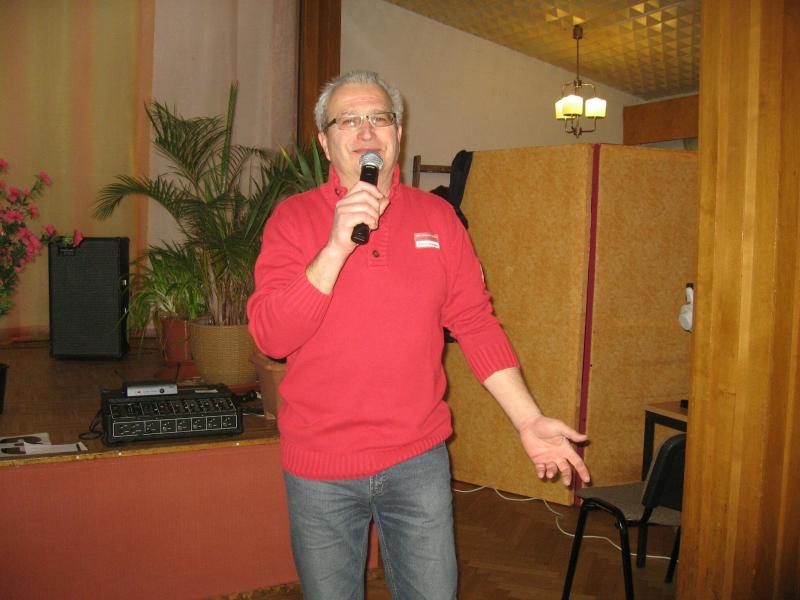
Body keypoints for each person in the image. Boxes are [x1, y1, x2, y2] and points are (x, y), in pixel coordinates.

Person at [247, 70, 590, 600]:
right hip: (321, 470)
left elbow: (475, 323)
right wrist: (335, 246)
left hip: (418, 463)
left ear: (398, 134)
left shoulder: (440, 218)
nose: (366, 131)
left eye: (379, 118)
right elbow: (272, 337)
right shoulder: (292, 220)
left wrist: (528, 419)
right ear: (325, 142)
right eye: (348, 121)